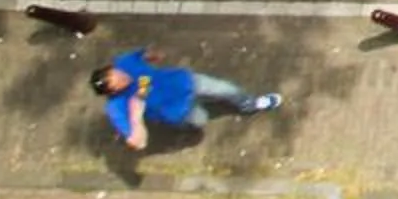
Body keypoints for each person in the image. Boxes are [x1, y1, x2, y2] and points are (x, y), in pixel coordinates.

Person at [90, 47, 283, 151]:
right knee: (201, 119)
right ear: (112, 92)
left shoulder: (125, 62)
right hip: (179, 111)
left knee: (227, 89)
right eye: (119, 83)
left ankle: (250, 105)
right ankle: (196, 117)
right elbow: (137, 142)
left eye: (118, 74)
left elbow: (142, 55)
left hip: (185, 82)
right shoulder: (117, 108)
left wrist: (153, 55)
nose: (124, 77)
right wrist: (135, 117)